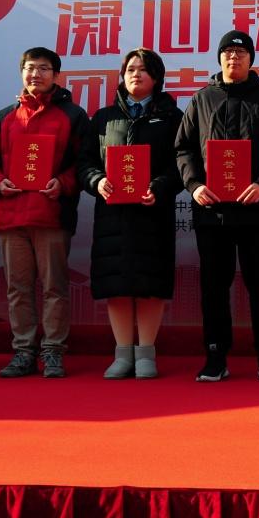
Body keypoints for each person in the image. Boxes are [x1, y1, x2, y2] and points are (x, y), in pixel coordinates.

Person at [174, 30, 259, 382]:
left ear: (251, 59)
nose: (233, 57)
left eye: (240, 53)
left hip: (257, 209)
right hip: (212, 211)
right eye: (227, 52)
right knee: (213, 287)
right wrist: (194, 185)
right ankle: (215, 356)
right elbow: (183, 148)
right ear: (219, 58)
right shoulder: (202, 99)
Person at [0, 46, 89, 378]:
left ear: (56, 75)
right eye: (29, 67)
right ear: (21, 72)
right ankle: (23, 351)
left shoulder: (72, 115)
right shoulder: (6, 115)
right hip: (12, 216)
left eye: (43, 68)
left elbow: (84, 162)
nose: (35, 74)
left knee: (55, 287)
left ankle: (53, 351)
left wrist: (62, 183)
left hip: (51, 214)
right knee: (18, 289)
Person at [78, 48, 183, 379]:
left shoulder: (172, 117)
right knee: (118, 284)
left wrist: (160, 187)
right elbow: (85, 163)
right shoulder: (103, 118)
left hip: (153, 213)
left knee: (150, 283)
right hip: (113, 217)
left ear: (157, 77)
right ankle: (122, 353)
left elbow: (182, 164)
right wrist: (98, 181)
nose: (136, 74)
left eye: (144, 69)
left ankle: (147, 353)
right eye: (130, 70)